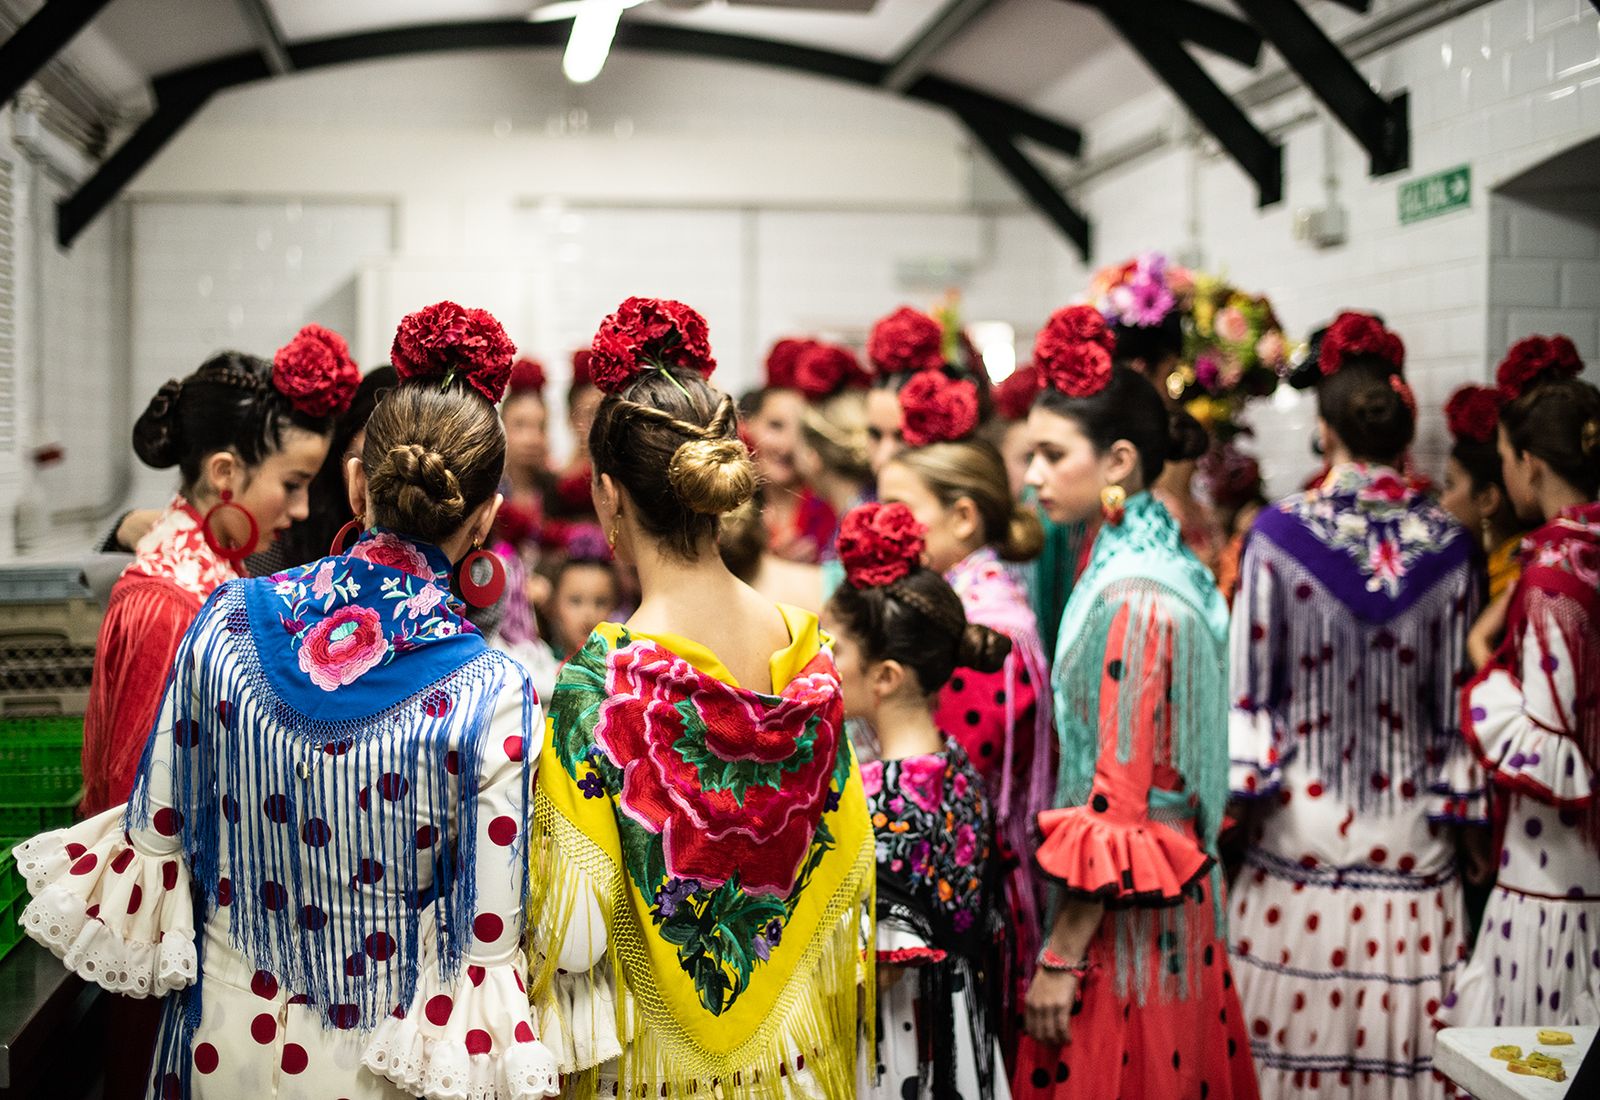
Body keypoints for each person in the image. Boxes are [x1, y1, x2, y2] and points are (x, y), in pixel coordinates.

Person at [16, 300, 560, 1100]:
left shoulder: (227, 618)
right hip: (384, 1059)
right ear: (485, 516)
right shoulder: (496, 693)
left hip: (224, 1045)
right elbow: (487, 940)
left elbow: (157, 843)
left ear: (353, 482)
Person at [528, 297, 874, 1098]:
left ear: (609, 497)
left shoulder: (601, 685)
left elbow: (572, 933)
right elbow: (835, 849)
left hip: (648, 1063)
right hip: (788, 1060)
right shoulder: (806, 647)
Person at [1228, 312, 1483, 1100]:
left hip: (1298, 855)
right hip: (1415, 862)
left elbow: (1250, 690)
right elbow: (1458, 703)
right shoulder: (1453, 542)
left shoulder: (1276, 535)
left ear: (1324, 430)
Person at [1013, 306, 1258, 1100]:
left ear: (1118, 460)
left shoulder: (1136, 595)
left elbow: (1122, 802)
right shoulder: (1149, 557)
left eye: (1052, 455)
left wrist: (1060, 956)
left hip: (1125, 940)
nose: (1033, 477)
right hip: (1160, 922)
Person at [81, 331, 357, 818]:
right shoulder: (166, 605)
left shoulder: (215, 573)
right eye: (292, 485)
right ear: (225, 473)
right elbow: (130, 806)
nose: (301, 509)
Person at [824, 502, 1009, 1100]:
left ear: (885, 676)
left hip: (901, 1054)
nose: (819, 662)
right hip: (961, 1033)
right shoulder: (958, 770)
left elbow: (873, 977)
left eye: (834, 649)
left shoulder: (876, 800)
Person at [877, 435, 1051, 1061]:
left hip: (967, 902)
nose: (883, 523)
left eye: (900, 508)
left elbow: (956, 785)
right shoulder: (961, 603)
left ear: (963, 516)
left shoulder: (983, 625)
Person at [1446, 336, 1600, 1029]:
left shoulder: (1550, 570)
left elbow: (1547, 736)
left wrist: (1485, 663)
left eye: (1505, 461)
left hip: (1552, 873)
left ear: (1530, 467)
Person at [1440, 383, 1523, 603]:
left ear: (1487, 499)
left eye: (1449, 484)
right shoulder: (1497, 570)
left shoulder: (1510, 585)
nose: (1442, 500)